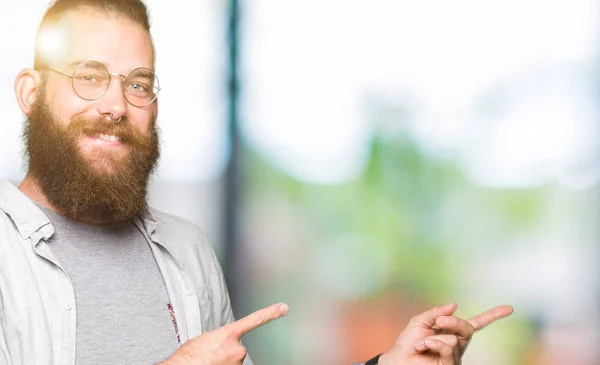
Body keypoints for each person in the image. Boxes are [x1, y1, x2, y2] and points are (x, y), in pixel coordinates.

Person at [0, 0, 513, 364]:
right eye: (88, 76)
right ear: (31, 92)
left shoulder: (186, 250)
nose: (115, 106)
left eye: (137, 84)